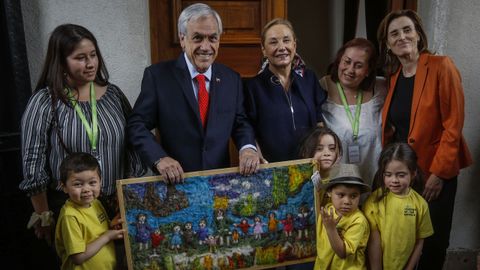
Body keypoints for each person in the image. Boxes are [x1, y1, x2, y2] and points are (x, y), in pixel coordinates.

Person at [19, 24, 145, 267]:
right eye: (80, 58)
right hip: (72, 207)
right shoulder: (45, 102)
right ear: (61, 62)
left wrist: (127, 198)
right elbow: (32, 160)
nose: (90, 64)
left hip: (114, 205)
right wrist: (44, 215)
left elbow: (134, 146)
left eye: (93, 55)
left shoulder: (114, 95)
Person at [377, 9, 472, 269]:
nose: (402, 36)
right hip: (405, 175)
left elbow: (453, 125)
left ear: (418, 34)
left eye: (407, 30)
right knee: (407, 239)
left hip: (435, 173)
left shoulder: (442, 65)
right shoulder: (394, 78)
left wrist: (439, 173)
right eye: (394, 34)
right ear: (387, 44)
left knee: (434, 241)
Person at [127, 3, 259, 183]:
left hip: (219, 185)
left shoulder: (231, 79)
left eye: (212, 38)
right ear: (182, 39)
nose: (206, 47)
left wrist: (248, 147)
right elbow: (137, 125)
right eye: (198, 38)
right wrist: (159, 158)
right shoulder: (158, 77)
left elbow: (240, 121)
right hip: (176, 186)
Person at [244, 18, 326, 163]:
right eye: (273, 42)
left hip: (309, 166)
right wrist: (258, 157)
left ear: (294, 45)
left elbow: (319, 123)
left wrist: (323, 151)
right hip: (271, 170)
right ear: (263, 49)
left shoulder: (309, 79)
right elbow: (249, 130)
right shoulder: (252, 87)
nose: (281, 47)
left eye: (286, 40)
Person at [320, 38, 386, 186]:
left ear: (368, 70)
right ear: (339, 61)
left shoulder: (381, 89)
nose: (350, 69)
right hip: (338, 187)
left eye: (359, 65)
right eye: (347, 61)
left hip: (375, 179)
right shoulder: (323, 87)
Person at [363, 143, 433, 270]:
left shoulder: (421, 205)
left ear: (413, 174)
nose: (394, 180)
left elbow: (419, 242)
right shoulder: (374, 201)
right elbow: (373, 241)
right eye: (388, 174)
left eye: (401, 175)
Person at [55, 152, 124, 270]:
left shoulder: (95, 203)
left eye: (92, 183)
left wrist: (112, 225)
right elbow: (78, 257)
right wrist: (107, 237)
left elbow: (99, 230)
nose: (86, 189)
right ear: (64, 187)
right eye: (78, 184)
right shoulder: (70, 216)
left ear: (100, 182)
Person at [314, 163, 370, 270]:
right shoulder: (326, 209)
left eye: (353, 196)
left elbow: (342, 253)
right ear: (329, 193)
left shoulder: (358, 220)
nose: (347, 201)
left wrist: (331, 229)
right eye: (341, 195)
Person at [299, 126, 343, 211]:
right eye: (319, 149)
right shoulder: (302, 183)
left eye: (332, 148)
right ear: (305, 152)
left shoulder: (342, 181)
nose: (327, 153)